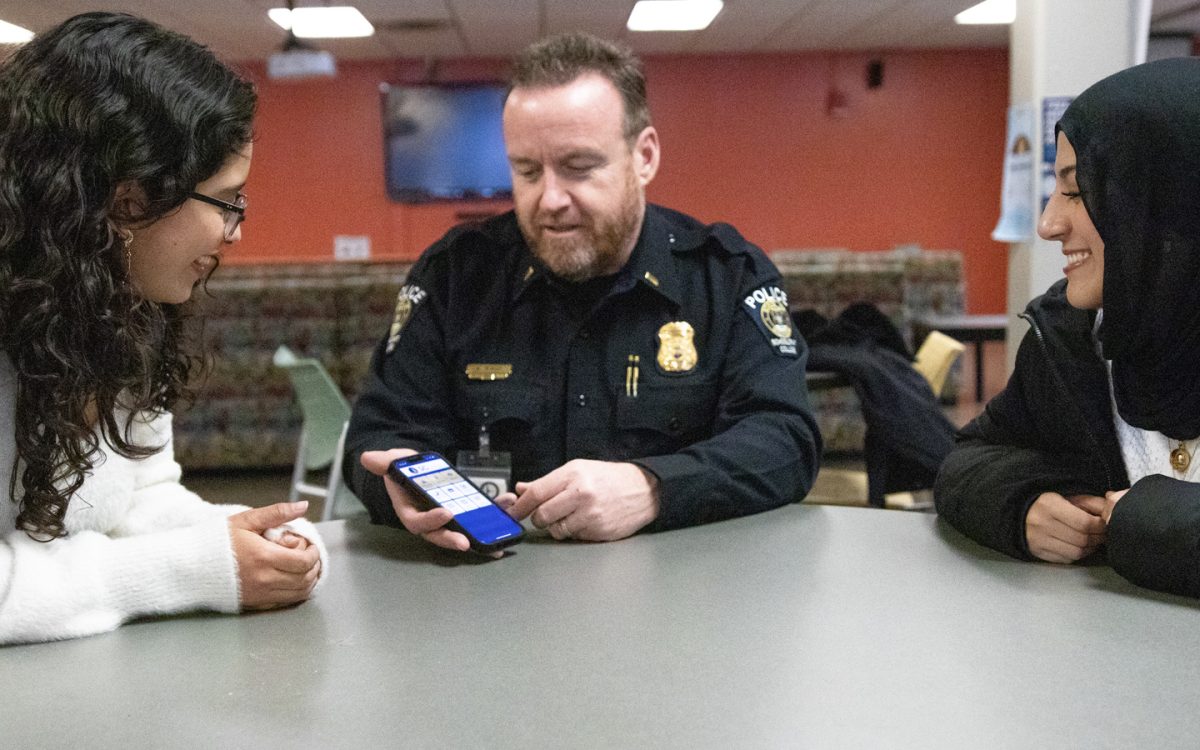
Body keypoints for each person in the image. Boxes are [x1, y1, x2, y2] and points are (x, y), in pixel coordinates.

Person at [345, 32, 820, 551]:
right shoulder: (455, 278)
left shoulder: (725, 277)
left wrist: (654, 487)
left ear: (644, 157)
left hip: (685, 594)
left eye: (578, 168)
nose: (549, 199)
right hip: (487, 592)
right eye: (526, 171)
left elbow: (786, 439)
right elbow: (376, 438)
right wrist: (394, 486)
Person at [0, 12, 326, 645]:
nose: (237, 230)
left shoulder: (121, 313)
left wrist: (255, 540)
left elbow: (140, 501)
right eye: (227, 201)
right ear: (129, 200)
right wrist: (191, 569)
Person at [934, 58, 1200, 598]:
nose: (1048, 223)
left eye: (1078, 192)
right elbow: (966, 461)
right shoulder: (1072, 339)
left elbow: (1147, 521)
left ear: (1169, 204)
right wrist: (1021, 506)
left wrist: (1149, 521)